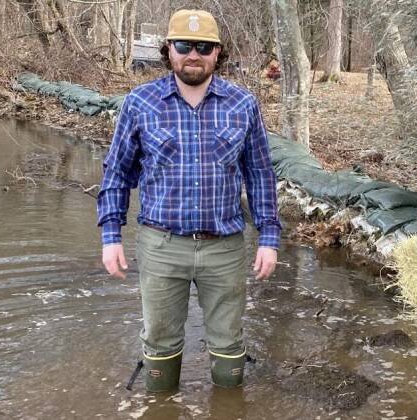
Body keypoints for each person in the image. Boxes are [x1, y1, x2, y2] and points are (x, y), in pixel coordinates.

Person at [96, 9, 281, 392]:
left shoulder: (242, 104)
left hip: (225, 247)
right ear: (168, 49)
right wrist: (110, 235)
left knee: (229, 341)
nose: (192, 54)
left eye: (203, 47)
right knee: (159, 339)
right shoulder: (140, 103)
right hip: (161, 245)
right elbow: (117, 173)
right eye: (183, 45)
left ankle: (230, 406)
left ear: (217, 53)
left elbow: (260, 174)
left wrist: (268, 238)